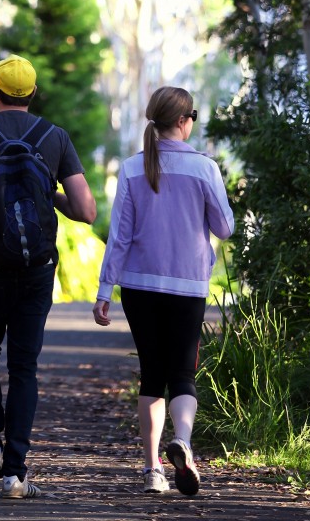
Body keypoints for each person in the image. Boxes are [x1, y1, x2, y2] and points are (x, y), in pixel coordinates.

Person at [0, 54, 97, 499]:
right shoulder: (55, 137)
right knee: (24, 367)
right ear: (32, 93)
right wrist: (50, 193)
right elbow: (86, 211)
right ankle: (15, 474)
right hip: (35, 269)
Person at [92, 86, 234, 496]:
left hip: (138, 285)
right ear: (185, 120)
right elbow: (224, 227)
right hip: (187, 285)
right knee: (183, 374)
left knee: (151, 375)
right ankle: (184, 443)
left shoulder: (133, 168)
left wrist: (105, 290)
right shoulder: (205, 168)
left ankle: (153, 469)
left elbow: (119, 235)